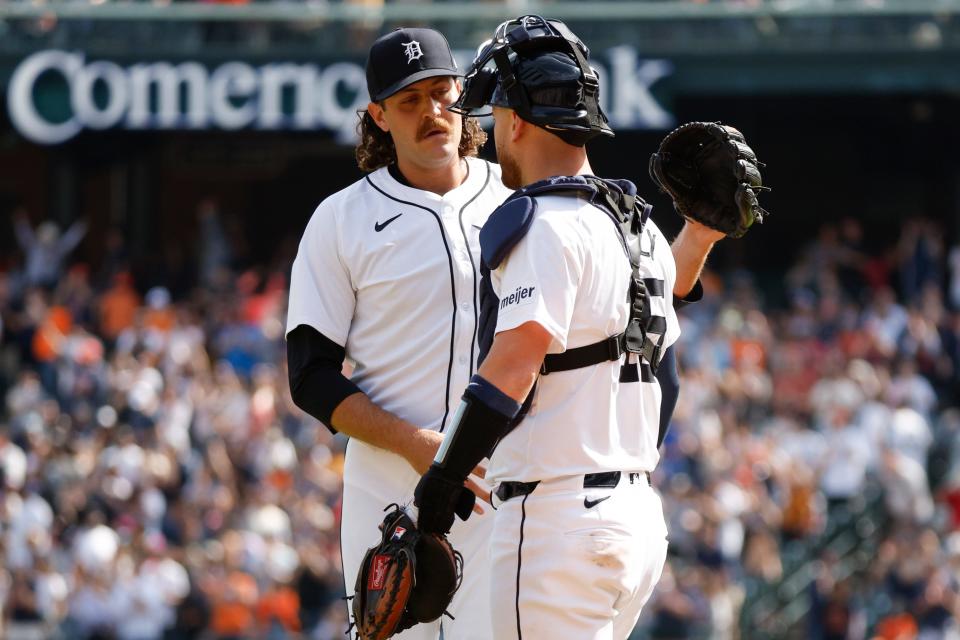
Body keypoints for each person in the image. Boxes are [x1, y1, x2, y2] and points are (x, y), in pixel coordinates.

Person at [414, 16, 731, 638]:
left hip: (558, 522)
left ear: (517, 121)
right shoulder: (638, 228)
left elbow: (511, 369)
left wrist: (441, 483)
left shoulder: (546, 221)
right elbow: (664, 384)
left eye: (497, 115)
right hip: (634, 518)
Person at [285, 26, 512, 639]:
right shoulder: (340, 219)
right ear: (378, 116)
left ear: (462, 94)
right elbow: (309, 378)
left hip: (507, 487)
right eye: (409, 101)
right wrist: (413, 442)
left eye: (440, 92)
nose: (431, 112)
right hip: (390, 492)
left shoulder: (519, 198)